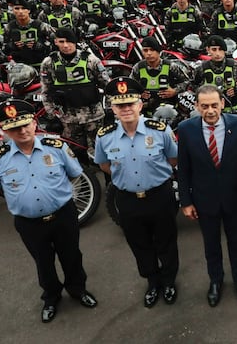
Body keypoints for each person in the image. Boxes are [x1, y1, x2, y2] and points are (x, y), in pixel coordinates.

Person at [0, 99, 98, 323]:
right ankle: (51, 297)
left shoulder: (56, 147)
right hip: (29, 222)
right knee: (43, 262)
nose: (22, 130)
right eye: (14, 127)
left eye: (26, 124)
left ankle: (78, 290)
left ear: (34, 123)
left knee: (72, 256)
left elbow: (75, 172)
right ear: (5, 130)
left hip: (63, 215)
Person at [94, 77, 180, 308]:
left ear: (140, 105)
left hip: (160, 196)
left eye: (130, 103)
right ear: (112, 108)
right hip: (128, 199)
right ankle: (153, 282)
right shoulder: (104, 135)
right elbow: (104, 165)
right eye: (120, 105)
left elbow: (173, 159)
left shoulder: (160, 130)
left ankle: (169, 281)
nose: (126, 109)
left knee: (167, 241)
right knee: (139, 244)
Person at [177, 85, 237, 307]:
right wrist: (186, 201)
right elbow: (183, 169)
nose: (210, 111)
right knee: (211, 245)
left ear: (222, 103)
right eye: (204, 106)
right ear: (197, 106)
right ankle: (216, 281)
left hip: (234, 197)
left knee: (236, 242)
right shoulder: (186, 129)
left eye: (214, 105)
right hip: (204, 200)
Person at [40, 27, 110, 151]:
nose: (66, 46)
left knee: (98, 150)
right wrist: (52, 112)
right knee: (73, 152)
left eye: (69, 41)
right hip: (68, 116)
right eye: (61, 42)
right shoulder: (49, 63)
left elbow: (107, 85)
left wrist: (110, 108)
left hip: (93, 115)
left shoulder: (91, 60)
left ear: (75, 42)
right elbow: (46, 90)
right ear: (56, 42)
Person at [130, 36, 190, 116]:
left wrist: (174, 91)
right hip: (144, 108)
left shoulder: (171, 66)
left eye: (152, 50)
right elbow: (130, 86)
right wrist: (139, 94)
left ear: (159, 51)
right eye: (145, 50)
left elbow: (187, 82)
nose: (149, 53)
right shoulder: (138, 67)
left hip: (168, 108)